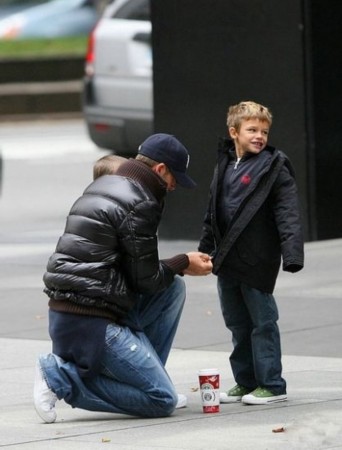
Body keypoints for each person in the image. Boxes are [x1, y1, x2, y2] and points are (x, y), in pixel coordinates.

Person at [34, 133, 212, 423]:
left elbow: (137, 272)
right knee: (161, 399)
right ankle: (59, 376)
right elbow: (146, 281)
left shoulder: (104, 184)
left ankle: (148, 376)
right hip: (91, 320)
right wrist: (184, 261)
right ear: (160, 170)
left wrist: (178, 267)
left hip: (72, 311)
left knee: (173, 289)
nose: (174, 186)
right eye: (174, 177)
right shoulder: (139, 201)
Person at [198, 101, 304, 405]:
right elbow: (213, 212)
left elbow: (288, 212)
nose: (259, 136)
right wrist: (205, 249)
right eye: (252, 130)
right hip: (227, 259)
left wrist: (292, 254)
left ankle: (272, 384)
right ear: (234, 132)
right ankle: (245, 382)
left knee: (263, 322)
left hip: (258, 259)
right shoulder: (225, 164)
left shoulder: (274, 166)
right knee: (237, 323)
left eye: (264, 131)